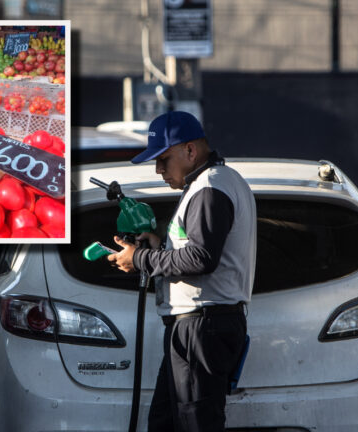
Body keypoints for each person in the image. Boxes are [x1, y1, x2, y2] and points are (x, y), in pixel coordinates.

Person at [107, 111, 256, 432]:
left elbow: (202, 258)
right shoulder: (216, 183)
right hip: (200, 326)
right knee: (165, 423)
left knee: (195, 423)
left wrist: (141, 259)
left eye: (163, 159)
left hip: (202, 326)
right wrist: (158, 248)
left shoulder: (210, 188)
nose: (159, 169)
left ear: (190, 151)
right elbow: (200, 250)